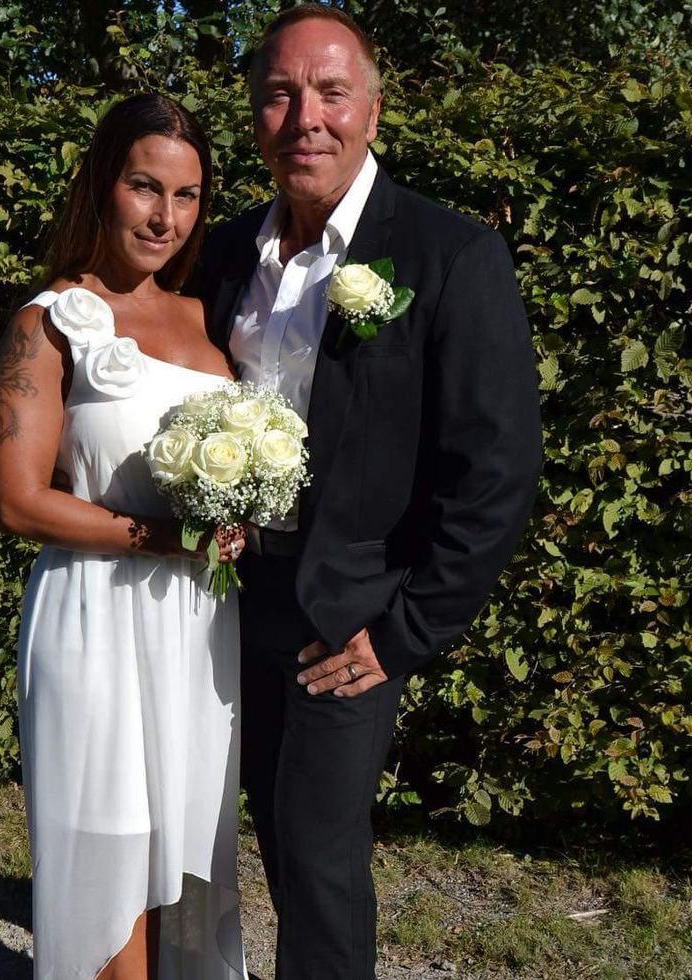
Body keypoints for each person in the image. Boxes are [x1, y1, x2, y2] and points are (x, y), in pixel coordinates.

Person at [190, 6, 543, 978]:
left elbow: (497, 469)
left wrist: (401, 632)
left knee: (319, 857)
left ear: (373, 112)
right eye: (279, 94)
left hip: (347, 620)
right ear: (255, 117)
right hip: (231, 600)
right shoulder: (225, 252)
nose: (305, 116)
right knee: (270, 831)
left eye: (331, 92)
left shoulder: (448, 253)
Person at [0, 94, 248, 980]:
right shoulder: (50, 320)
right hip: (94, 620)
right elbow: (18, 502)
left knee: (185, 858)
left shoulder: (207, 320)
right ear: (103, 185)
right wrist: (162, 535)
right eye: (144, 186)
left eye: (187, 195)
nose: (165, 216)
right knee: (108, 863)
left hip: (196, 631)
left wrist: (239, 512)